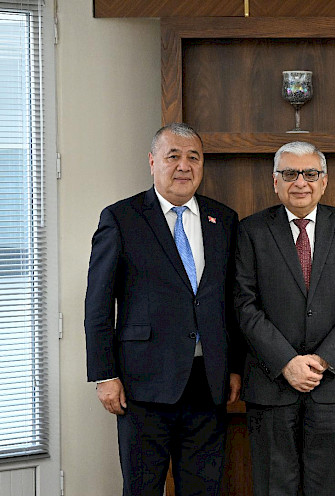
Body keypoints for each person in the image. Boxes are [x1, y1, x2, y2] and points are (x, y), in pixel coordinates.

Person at [84, 122, 242, 496]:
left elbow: (231, 300)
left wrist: (234, 366)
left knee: (203, 488)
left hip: (208, 383)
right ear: (153, 161)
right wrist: (104, 374)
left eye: (193, 158)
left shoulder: (223, 219)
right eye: (174, 156)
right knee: (143, 488)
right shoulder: (121, 218)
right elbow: (98, 303)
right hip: (143, 383)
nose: (184, 166)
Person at [234, 141, 335, 496]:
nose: (301, 182)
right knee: (273, 487)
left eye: (310, 174)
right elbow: (244, 304)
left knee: (326, 488)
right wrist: (286, 362)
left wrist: (322, 360)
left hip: (332, 384)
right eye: (290, 174)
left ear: (324, 181)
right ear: (275, 182)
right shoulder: (251, 230)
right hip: (271, 383)